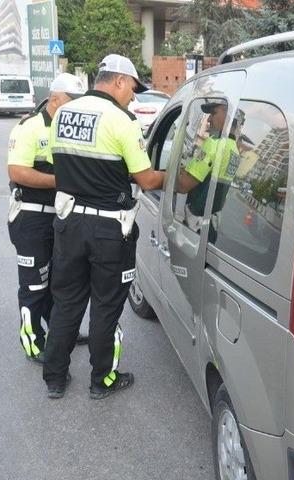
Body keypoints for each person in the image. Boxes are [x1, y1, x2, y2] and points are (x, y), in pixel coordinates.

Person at [43, 54, 165, 400]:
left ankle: (55, 378)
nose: (133, 97)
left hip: (68, 224)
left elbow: (58, 162)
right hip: (109, 230)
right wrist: (175, 177)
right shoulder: (122, 120)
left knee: (66, 302)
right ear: (119, 81)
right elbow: (146, 179)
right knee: (106, 306)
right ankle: (102, 380)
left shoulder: (63, 113)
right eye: (132, 89)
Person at [7, 73, 87, 365]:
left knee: (58, 283)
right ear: (55, 99)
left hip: (61, 218)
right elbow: (17, 172)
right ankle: (33, 342)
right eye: (72, 101)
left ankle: (60, 332)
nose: (76, 107)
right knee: (34, 286)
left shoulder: (72, 128)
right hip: (31, 219)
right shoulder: (30, 127)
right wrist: (61, 181)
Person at [176, 101, 243, 235]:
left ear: (228, 115)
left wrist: (160, 176)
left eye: (213, 113)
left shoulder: (215, 143)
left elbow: (183, 185)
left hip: (194, 227)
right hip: (211, 225)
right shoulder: (235, 150)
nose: (209, 119)